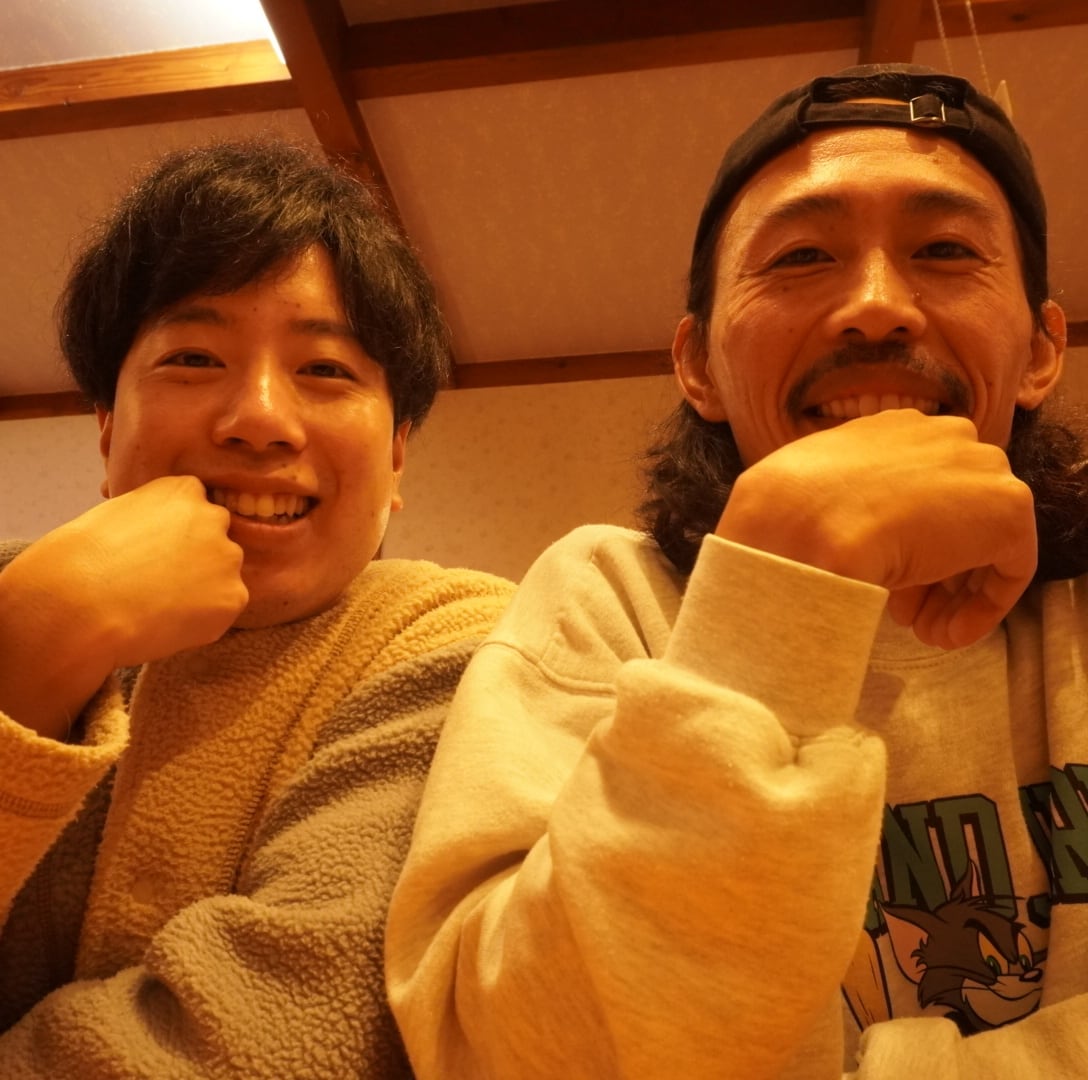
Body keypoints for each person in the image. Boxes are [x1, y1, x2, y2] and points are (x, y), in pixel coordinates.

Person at [385, 64, 1088, 1077]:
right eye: (800, 257)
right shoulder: (602, 601)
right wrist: (775, 600)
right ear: (698, 366)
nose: (876, 308)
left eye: (943, 250)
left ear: (1040, 351)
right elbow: (494, 1052)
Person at [0, 137, 513, 1078]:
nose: (260, 419)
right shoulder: (15, 591)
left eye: (327, 371)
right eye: (194, 357)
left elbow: (279, 1036)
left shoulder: (458, 644)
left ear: (397, 453)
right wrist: (33, 646)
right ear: (107, 428)